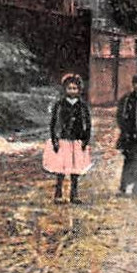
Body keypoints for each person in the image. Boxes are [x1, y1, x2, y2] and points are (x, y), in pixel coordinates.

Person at [44, 73, 92, 203]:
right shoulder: (59, 105)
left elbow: (88, 123)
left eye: (74, 88)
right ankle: (58, 193)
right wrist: (54, 139)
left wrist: (85, 139)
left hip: (77, 139)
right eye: (69, 88)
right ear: (65, 89)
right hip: (63, 139)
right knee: (61, 167)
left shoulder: (82, 106)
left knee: (75, 168)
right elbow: (54, 123)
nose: (72, 91)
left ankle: (74, 194)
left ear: (79, 90)